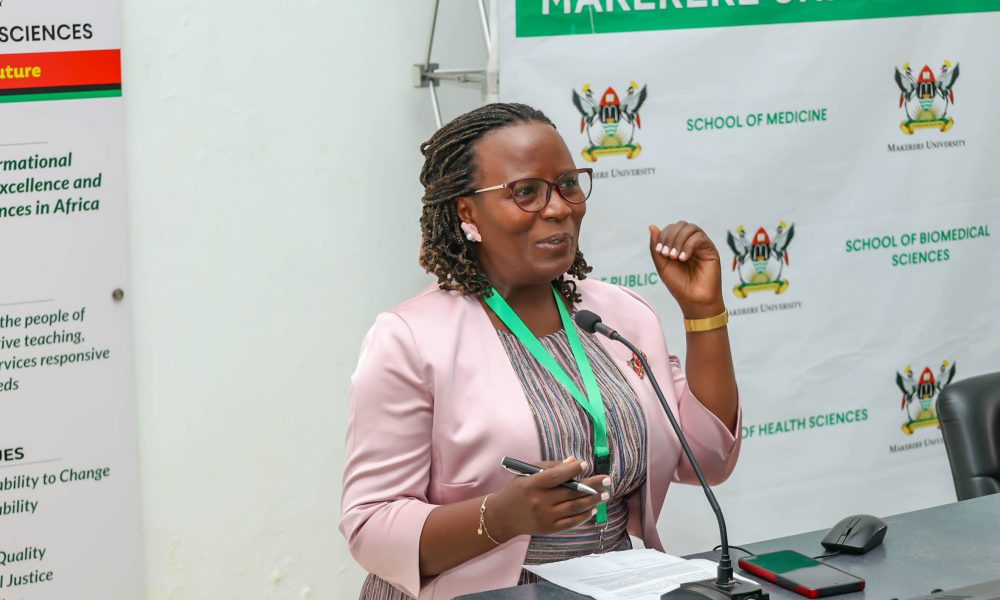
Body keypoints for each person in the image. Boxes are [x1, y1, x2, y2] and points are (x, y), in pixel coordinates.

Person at [340, 103, 741, 599]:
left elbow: (710, 460)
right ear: (467, 212)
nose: (558, 208)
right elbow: (370, 526)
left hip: (611, 587)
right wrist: (500, 517)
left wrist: (704, 313)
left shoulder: (621, 315)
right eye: (526, 192)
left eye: (567, 184)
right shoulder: (410, 339)